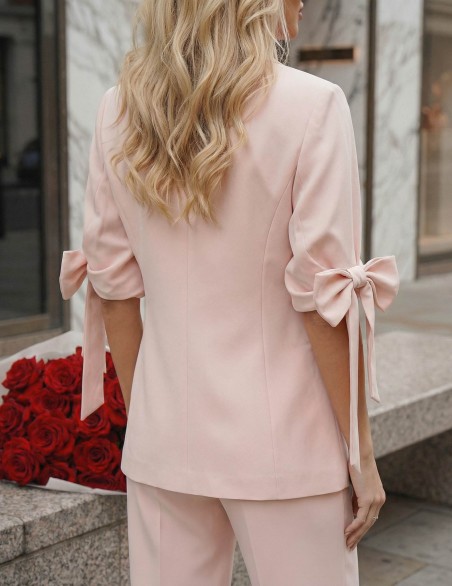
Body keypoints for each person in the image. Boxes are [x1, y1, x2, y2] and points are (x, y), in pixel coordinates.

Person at [59, 0, 400, 584]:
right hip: (287, 444)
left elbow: (113, 290)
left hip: (165, 440)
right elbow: (324, 304)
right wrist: (360, 453)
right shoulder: (314, 105)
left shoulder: (117, 110)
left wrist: (150, 420)